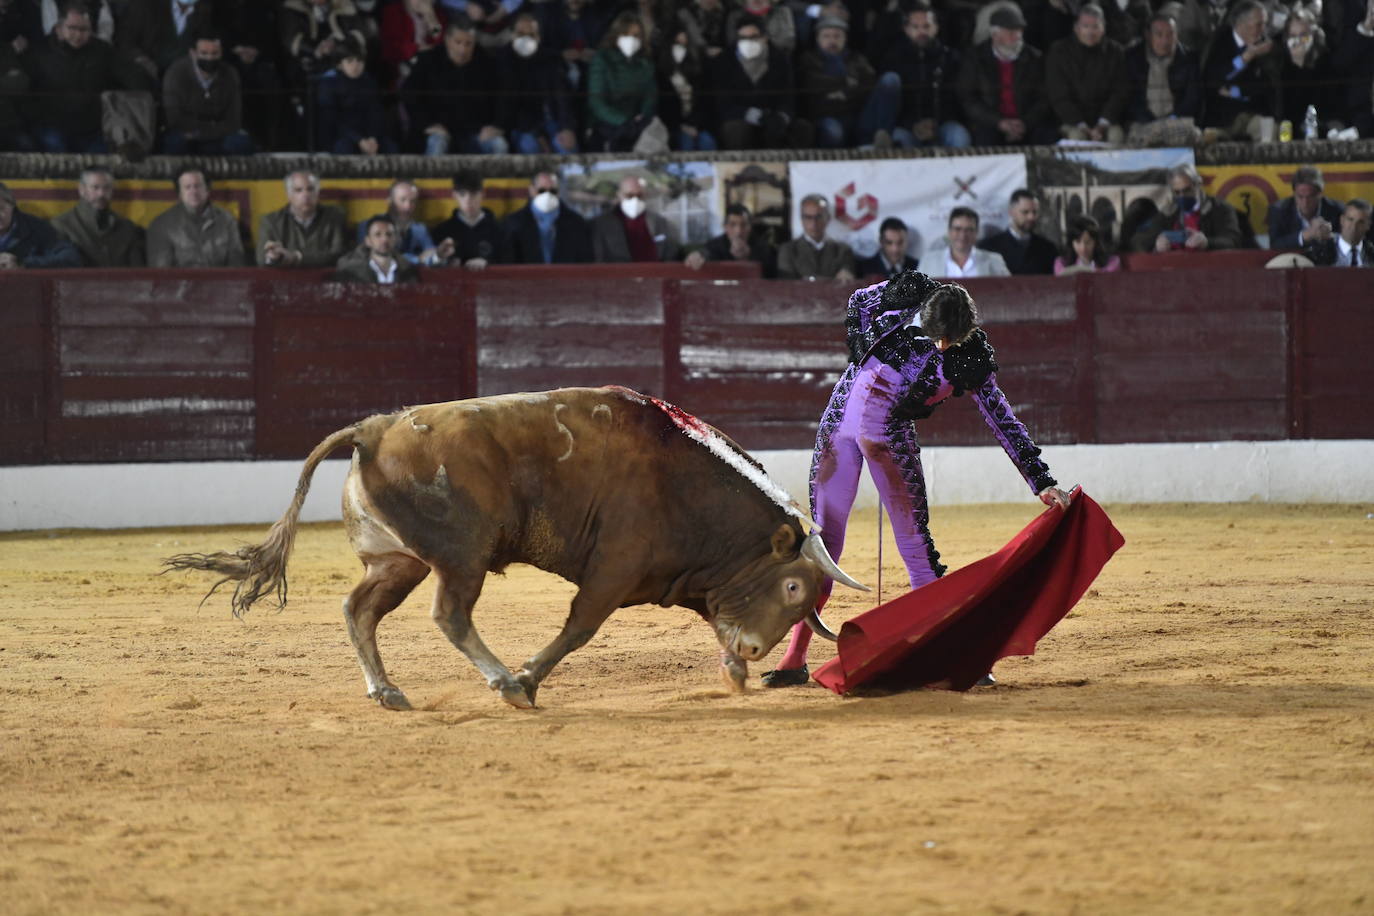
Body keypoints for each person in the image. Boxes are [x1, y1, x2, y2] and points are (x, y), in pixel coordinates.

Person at [761, 271, 1071, 687]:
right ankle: (793, 659)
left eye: (951, 340)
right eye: (938, 336)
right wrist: (856, 342)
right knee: (823, 544)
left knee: (916, 548)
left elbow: (1001, 417)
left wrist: (1041, 479)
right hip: (841, 424)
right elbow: (858, 301)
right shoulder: (907, 294)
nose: (942, 346)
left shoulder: (970, 353)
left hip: (889, 436)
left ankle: (961, 657)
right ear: (924, 314)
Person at [26, 4, 148, 153]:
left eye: (84, 30)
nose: (78, 35)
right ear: (59, 28)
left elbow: (132, 75)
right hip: (51, 126)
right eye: (72, 28)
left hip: (92, 128)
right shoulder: (39, 52)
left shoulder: (103, 51)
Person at [401, 17, 507, 155]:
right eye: (458, 42)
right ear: (447, 40)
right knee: (437, 143)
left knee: (499, 145)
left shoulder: (487, 63)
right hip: (440, 131)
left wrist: (496, 125)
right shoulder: (428, 60)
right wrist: (427, 124)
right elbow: (409, 93)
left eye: (468, 43)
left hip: (476, 132)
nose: (462, 49)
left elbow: (504, 97)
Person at [872, 3, 971, 150]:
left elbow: (958, 98)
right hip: (906, 127)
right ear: (906, 29)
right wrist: (913, 125)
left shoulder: (951, 58)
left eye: (926, 26)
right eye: (915, 27)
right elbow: (889, 103)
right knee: (897, 141)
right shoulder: (893, 59)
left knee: (959, 136)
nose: (921, 32)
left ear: (936, 28)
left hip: (943, 124)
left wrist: (935, 123)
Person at [956, 5, 1057, 147]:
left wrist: (1024, 123)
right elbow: (968, 98)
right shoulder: (975, 58)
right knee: (984, 139)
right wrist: (999, 122)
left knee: (1047, 136)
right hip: (991, 123)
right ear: (995, 34)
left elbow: (1044, 98)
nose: (1017, 36)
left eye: (1019, 31)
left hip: (1027, 122)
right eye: (1010, 32)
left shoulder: (1035, 58)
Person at [709, 14, 812, 150]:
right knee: (734, 129)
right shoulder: (724, 61)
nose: (748, 42)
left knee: (801, 127)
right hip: (740, 117)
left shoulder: (780, 60)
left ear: (764, 37)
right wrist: (756, 116)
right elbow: (723, 102)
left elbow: (789, 95)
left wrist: (782, 116)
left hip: (774, 115)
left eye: (753, 37)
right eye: (743, 38)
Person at [1045, 4, 1129, 143]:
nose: (1091, 32)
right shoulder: (1058, 52)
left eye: (1095, 26)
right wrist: (1082, 126)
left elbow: (1120, 91)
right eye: (1086, 26)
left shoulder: (1116, 52)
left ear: (1103, 28)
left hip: (1106, 120)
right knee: (1078, 138)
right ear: (1076, 28)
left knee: (1116, 136)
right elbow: (1058, 96)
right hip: (1072, 121)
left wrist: (1102, 124)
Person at [161, 31, 256, 155]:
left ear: (221, 53)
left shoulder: (230, 74)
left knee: (241, 143)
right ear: (193, 53)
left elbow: (234, 120)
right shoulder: (176, 73)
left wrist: (203, 133)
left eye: (214, 53)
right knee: (175, 143)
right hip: (186, 135)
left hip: (216, 136)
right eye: (204, 53)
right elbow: (174, 118)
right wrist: (203, 131)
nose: (209, 58)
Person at [501, 12, 579, 154]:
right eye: (520, 34)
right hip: (523, 127)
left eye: (531, 35)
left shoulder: (549, 59)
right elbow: (510, 106)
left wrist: (567, 128)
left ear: (538, 37)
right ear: (511, 35)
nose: (526, 39)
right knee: (530, 146)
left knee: (566, 147)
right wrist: (538, 134)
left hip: (553, 121)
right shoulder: (504, 61)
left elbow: (562, 96)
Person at [1201, 0, 1279, 140]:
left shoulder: (1265, 46)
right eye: (1259, 24)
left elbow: (1266, 86)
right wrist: (1245, 57)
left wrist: (1234, 91)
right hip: (1222, 117)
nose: (1263, 30)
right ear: (1241, 24)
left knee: (1270, 131)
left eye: (1265, 24)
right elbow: (1213, 80)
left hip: (1253, 113)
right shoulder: (1220, 40)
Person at [796, 16, 877, 148]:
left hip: (856, 115)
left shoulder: (857, 59)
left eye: (837, 36)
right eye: (826, 36)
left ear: (845, 38)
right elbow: (813, 85)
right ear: (818, 38)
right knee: (833, 132)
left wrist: (840, 93)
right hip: (824, 117)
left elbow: (868, 84)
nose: (832, 41)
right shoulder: (808, 59)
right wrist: (845, 82)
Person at [1123, 12, 1201, 145]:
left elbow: (1193, 97)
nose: (1165, 41)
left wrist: (1173, 118)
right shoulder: (1132, 58)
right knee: (1138, 138)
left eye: (1170, 34)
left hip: (1176, 122)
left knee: (1195, 135)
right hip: (1143, 122)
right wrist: (1149, 120)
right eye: (1159, 34)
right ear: (1148, 35)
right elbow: (1129, 97)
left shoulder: (1189, 59)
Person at [1131, 163, 1243, 253]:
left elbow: (1234, 240)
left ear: (1198, 185)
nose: (1182, 196)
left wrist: (1207, 242)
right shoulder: (1169, 211)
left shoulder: (1221, 209)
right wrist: (1156, 245)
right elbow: (1138, 241)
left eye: (1186, 190)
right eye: (1177, 192)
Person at [147, 167, 246, 268]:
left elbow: (236, 264)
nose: (193, 192)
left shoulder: (227, 220)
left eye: (197, 186)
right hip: (180, 283)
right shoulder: (161, 225)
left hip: (220, 283)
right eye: (187, 187)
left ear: (207, 190)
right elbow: (161, 273)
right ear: (180, 194)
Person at [585, 12, 656, 151]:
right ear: (616, 35)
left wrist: (643, 117)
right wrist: (623, 121)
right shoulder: (602, 60)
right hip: (605, 124)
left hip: (637, 124)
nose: (631, 39)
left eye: (636, 36)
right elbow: (596, 102)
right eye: (626, 34)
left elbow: (650, 96)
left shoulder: (645, 64)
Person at [51, 166, 146, 267]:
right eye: (95, 188)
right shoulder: (62, 226)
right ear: (82, 190)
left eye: (107, 188)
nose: (101, 194)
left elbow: (137, 271)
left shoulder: (126, 227)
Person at [316, 40, 398, 154]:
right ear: (340, 64)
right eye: (350, 61)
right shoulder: (329, 84)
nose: (355, 65)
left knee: (390, 148)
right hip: (341, 136)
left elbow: (376, 113)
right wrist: (358, 140)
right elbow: (332, 119)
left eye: (359, 61)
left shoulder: (369, 82)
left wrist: (372, 137)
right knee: (344, 148)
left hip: (368, 136)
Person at [258, 170, 351, 268]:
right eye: (298, 190)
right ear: (288, 195)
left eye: (310, 189)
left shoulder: (335, 217)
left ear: (317, 192)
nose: (305, 195)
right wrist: (274, 257)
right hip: (285, 280)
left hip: (326, 279)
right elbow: (261, 259)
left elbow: (340, 255)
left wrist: (297, 257)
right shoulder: (271, 221)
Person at [498, 171, 594, 264]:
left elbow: (585, 260)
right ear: (531, 190)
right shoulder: (513, 223)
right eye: (542, 191)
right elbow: (507, 261)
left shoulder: (577, 223)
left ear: (559, 192)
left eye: (553, 191)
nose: (547, 195)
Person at [1277, 10, 1340, 139]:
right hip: (1289, 129)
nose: (1298, 41)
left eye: (1303, 35)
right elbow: (1285, 110)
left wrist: (1302, 66)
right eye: (1293, 36)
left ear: (1313, 34)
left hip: (1322, 126)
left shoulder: (1326, 61)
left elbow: (1324, 105)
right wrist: (1296, 64)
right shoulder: (1281, 63)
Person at [357, 180, 452, 266]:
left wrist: (439, 254)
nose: (408, 206)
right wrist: (417, 259)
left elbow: (431, 256)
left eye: (413, 201)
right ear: (390, 201)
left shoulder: (419, 229)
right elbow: (371, 258)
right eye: (402, 200)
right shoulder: (368, 226)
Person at [592, 175, 682, 263]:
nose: (635, 200)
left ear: (645, 195)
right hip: (619, 276)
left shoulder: (659, 222)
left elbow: (672, 254)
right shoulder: (601, 224)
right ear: (619, 195)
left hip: (654, 275)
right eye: (629, 196)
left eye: (639, 196)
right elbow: (598, 258)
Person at [657, 25, 717, 151]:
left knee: (707, 142)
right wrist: (681, 126)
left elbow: (705, 103)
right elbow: (662, 107)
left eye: (684, 44)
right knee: (686, 143)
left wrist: (695, 126)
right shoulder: (660, 75)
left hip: (697, 126)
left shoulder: (697, 73)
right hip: (672, 127)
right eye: (677, 43)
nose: (680, 47)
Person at [0, 181, 82, 269]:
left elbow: (71, 258)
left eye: (1, 208)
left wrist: (23, 264)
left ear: (12, 205)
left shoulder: (35, 227)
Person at [775, 194, 855, 281]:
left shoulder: (843, 251)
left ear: (827, 218)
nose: (814, 223)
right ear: (802, 220)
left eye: (819, 217)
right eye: (808, 217)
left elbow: (847, 278)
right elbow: (786, 284)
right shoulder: (787, 250)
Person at [978, 189, 1058, 275]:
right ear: (1011, 212)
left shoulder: (1047, 249)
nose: (1031, 217)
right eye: (1025, 212)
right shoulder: (990, 248)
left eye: (1034, 212)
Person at [431, 170, 501, 269]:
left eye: (473, 194)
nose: (468, 200)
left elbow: (511, 262)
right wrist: (445, 262)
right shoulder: (442, 231)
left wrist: (488, 263)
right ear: (454, 195)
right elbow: (432, 265)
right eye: (462, 194)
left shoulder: (498, 230)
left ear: (482, 194)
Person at [684, 203, 775, 276]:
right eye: (732, 225)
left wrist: (748, 256)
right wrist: (700, 255)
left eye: (743, 225)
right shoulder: (716, 244)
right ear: (725, 227)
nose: (738, 231)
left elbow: (770, 273)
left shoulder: (763, 246)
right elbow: (707, 252)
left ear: (750, 227)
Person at [1268, 165, 1343, 250]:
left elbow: (1348, 243)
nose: (1305, 202)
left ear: (1320, 194)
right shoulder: (1279, 210)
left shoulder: (1337, 210)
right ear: (1294, 193)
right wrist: (1306, 235)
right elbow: (1275, 245)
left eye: (1310, 197)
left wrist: (1330, 236)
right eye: (1300, 197)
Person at [333, 215, 422, 284]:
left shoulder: (407, 268)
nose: (384, 239)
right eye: (378, 234)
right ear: (368, 241)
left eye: (389, 234)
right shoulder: (351, 270)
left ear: (396, 239)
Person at [927, 207, 1011, 278]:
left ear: (976, 232)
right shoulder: (928, 261)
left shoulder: (994, 261)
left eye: (969, 230)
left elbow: (1010, 292)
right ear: (949, 231)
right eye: (957, 229)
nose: (963, 235)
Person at [1303, 199, 1374, 267]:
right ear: (1342, 220)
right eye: (1350, 219)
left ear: (1368, 225)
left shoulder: (1371, 253)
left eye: (1360, 222)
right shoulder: (1319, 252)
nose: (1354, 226)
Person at [1053, 214, 1121, 274]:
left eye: (1088, 242)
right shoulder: (1061, 263)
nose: (1083, 248)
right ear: (1071, 243)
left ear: (1096, 242)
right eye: (1078, 242)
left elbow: (1108, 277)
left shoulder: (1113, 262)